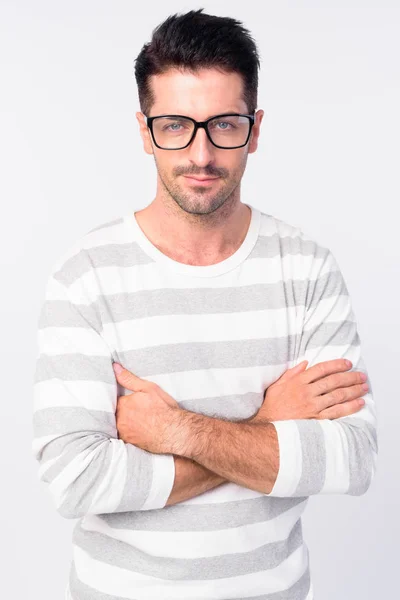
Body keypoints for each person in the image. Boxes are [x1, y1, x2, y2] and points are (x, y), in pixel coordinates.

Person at [32, 8, 377, 600]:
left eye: (223, 125)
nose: (201, 154)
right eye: (175, 125)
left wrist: (173, 430)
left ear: (256, 127)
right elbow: (75, 481)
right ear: (145, 131)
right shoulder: (85, 275)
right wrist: (269, 424)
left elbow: (349, 461)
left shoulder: (307, 269)